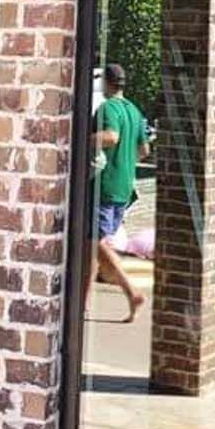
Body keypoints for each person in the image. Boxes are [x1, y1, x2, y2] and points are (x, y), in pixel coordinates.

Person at [87, 63, 149, 322]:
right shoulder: (134, 111)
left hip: (105, 185)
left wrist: (82, 140)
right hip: (124, 187)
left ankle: (132, 291)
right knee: (91, 246)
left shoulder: (108, 108)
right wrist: (124, 162)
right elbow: (144, 150)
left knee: (95, 243)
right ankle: (83, 302)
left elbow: (111, 136)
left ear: (106, 83)